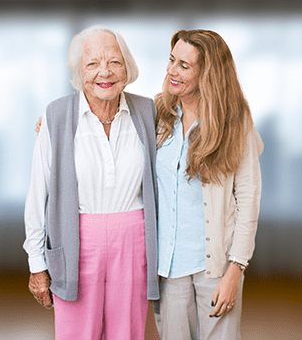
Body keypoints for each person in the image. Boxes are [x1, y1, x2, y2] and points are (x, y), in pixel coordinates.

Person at [23, 25, 159, 339]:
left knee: (127, 333)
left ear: (128, 68)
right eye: (92, 64)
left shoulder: (148, 111)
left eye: (115, 61)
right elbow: (37, 194)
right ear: (78, 72)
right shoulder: (56, 116)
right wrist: (36, 263)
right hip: (76, 241)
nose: (105, 72)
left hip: (134, 242)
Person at [153, 29, 264, 339]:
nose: (172, 70)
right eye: (172, 60)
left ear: (208, 73)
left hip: (215, 269)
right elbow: (109, 116)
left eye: (184, 65)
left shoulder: (236, 123)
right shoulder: (157, 113)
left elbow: (248, 199)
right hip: (168, 268)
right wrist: (53, 122)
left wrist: (235, 270)